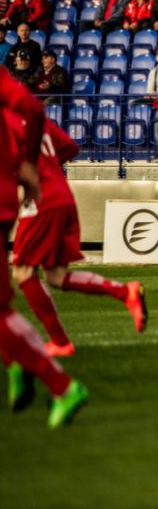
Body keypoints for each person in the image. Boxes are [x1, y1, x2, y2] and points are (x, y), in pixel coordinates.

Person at [9, 114, 147, 358]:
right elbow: (71, 147)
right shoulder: (33, 118)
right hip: (62, 195)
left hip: (41, 201)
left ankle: (60, 342)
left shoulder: (6, 123)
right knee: (55, 276)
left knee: (23, 271)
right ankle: (126, 292)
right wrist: (49, 170)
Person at [0, 65, 89, 429]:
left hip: (27, 201)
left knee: (25, 274)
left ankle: (41, 369)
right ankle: (29, 367)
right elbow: (36, 113)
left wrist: (29, 167)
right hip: (13, 198)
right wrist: (28, 168)